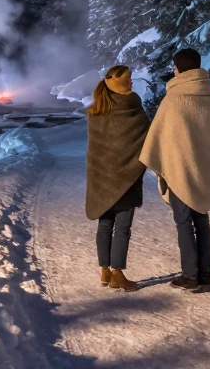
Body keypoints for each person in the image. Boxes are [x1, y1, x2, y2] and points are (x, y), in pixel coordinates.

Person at [139, 48, 210, 292]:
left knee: (184, 222)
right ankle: (204, 274)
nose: (173, 70)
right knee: (202, 220)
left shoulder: (175, 98)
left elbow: (159, 136)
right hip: (203, 167)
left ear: (180, 68)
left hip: (179, 168)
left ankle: (190, 275)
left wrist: (160, 160)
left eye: (175, 66)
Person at [85, 65, 151, 292]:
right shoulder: (131, 106)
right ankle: (117, 274)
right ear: (120, 82)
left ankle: (104, 270)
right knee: (122, 227)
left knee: (105, 225)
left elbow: (96, 147)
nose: (132, 82)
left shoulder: (97, 109)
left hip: (101, 176)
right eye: (129, 78)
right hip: (126, 175)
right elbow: (147, 138)